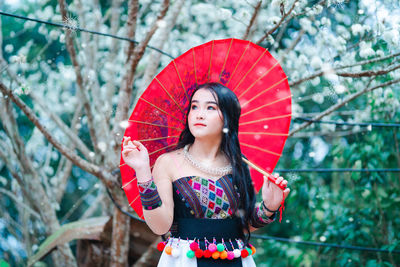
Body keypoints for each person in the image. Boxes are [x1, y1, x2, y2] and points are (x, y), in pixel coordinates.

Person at [122, 82, 291, 266]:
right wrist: (143, 171)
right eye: (194, 106)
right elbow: (160, 226)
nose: (199, 114)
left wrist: (269, 207)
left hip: (234, 259)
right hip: (186, 260)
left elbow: (242, 225)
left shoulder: (239, 163)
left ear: (227, 117)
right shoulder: (169, 162)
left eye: (210, 107)